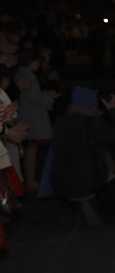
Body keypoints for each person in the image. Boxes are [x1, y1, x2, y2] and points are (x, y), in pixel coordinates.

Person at [47, 86, 115, 226]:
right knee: (105, 160)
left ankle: (71, 207)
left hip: (59, 183)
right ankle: (92, 203)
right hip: (87, 183)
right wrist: (112, 110)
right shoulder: (94, 123)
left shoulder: (60, 122)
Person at [15, 50, 60, 192]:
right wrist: (49, 97)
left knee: (30, 149)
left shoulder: (21, 74)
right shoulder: (29, 76)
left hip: (27, 115)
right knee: (32, 149)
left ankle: (29, 180)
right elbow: (35, 99)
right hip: (32, 117)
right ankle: (30, 180)